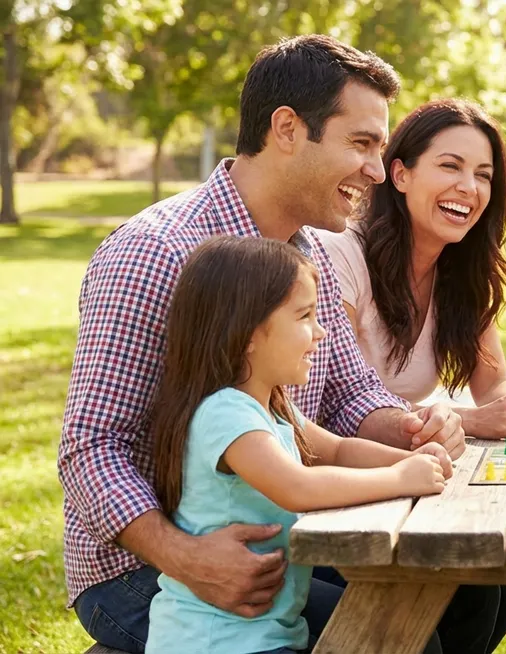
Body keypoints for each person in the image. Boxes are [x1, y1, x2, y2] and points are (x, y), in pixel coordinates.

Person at [59, 35, 506, 654]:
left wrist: (412, 433)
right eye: (361, 144)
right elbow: (91, 449)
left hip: (278, 537)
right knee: (405, 635)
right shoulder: (155, 253)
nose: (378, 172)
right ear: (287, 129)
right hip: (149, 571)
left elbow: (352, 395)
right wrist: (189, 557)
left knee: (477, 589)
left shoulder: (310, 254)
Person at [145, 236, 452, 654]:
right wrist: (400, 478)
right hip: (219, 643)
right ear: (248, 333)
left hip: (264, 635)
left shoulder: (268, 406)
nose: (320, 332)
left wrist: (413, 458)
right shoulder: (226, 413)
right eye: (304, 316)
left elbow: (340, 451)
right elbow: (297, 487)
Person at [316, 98, 506, 441]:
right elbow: (335, 402)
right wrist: (469, 420)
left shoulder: (460, 271)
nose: (469, 187)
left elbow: (493, 384)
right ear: (401, 175)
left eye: (483, 175)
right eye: (450, 166)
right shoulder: (338, 256)